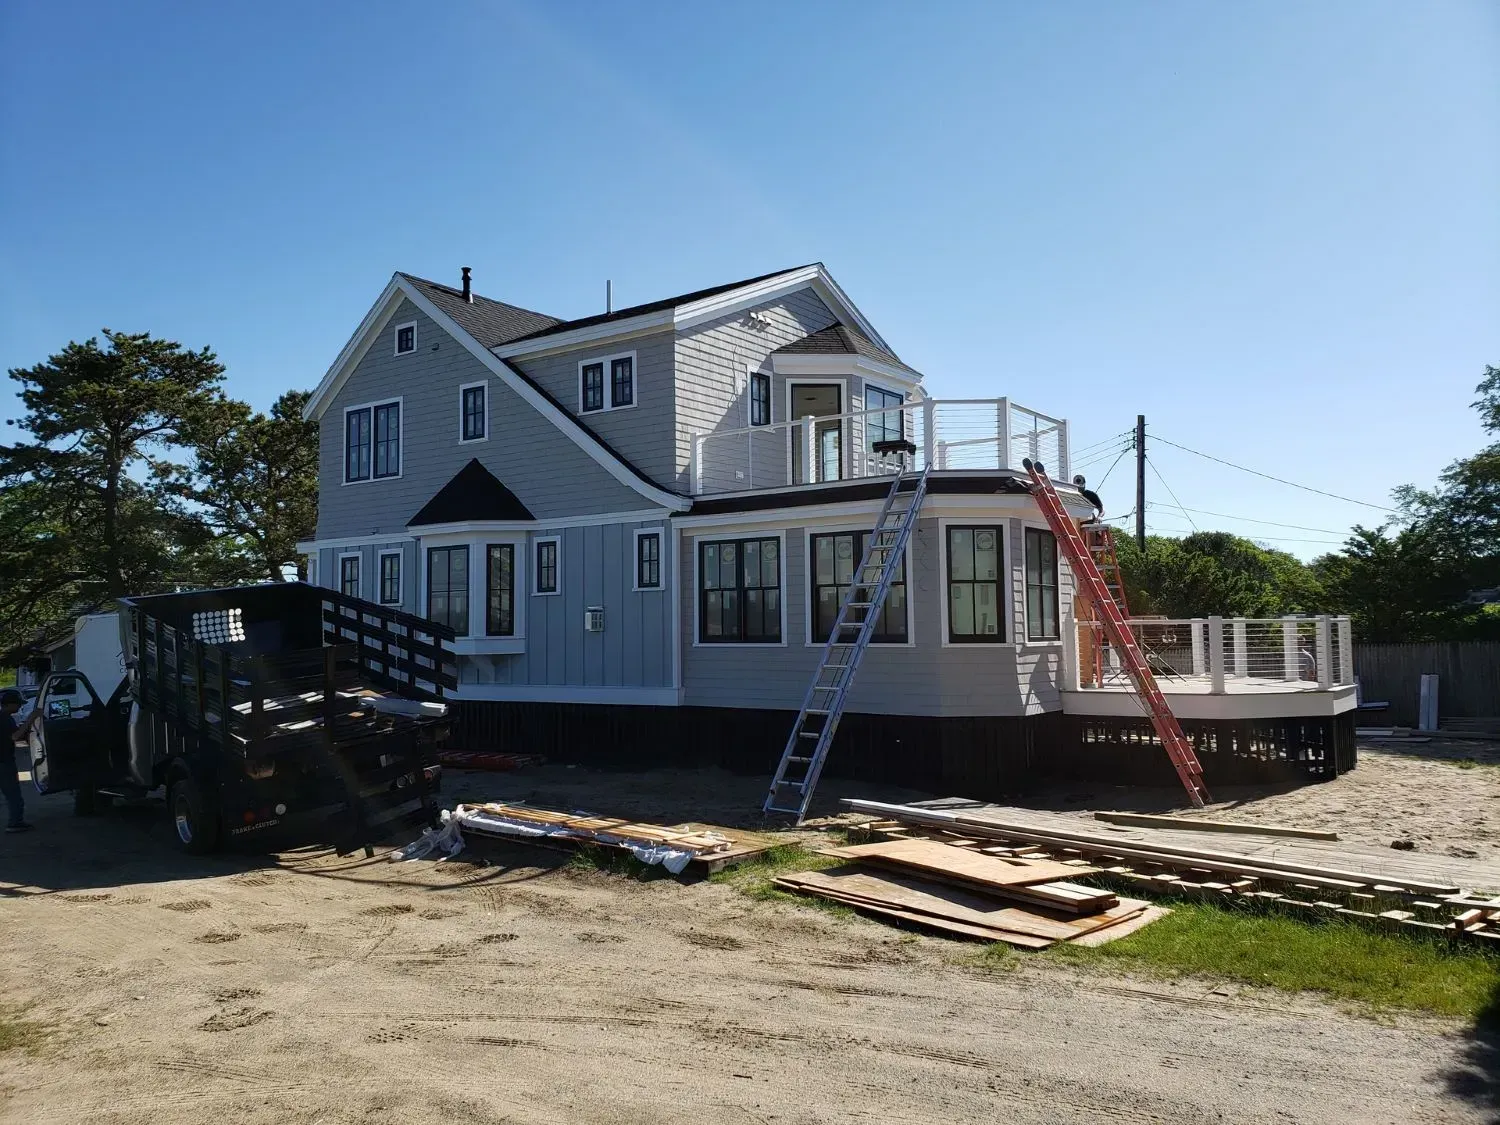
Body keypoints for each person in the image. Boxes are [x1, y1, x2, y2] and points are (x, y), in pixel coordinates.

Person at [1, 689, 36, 833]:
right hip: (4, 762)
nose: (19, 707)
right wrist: (30, 720)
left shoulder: (4, 718)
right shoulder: (5, 719)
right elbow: (15, 736)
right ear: (9, 704)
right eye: (17, 704)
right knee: (14, 795)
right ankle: (15, 823)